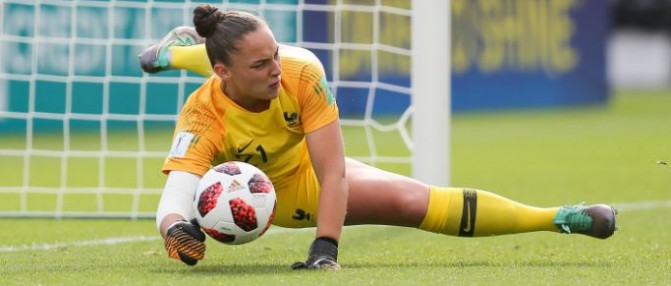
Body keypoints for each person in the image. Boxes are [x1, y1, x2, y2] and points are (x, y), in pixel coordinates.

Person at [140, 4, 617, 270]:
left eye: (275, 56)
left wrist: (324, 249)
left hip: (303, 171)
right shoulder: (202, 115)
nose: (274, 70)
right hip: (277, 194)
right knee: (240, 68)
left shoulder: (301, 72)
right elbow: (175, 194)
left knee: (412, 202)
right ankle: (180, 54)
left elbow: (332, 171)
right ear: (220, 69)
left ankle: (558, 218)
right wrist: (176, 229)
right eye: (261, 64)